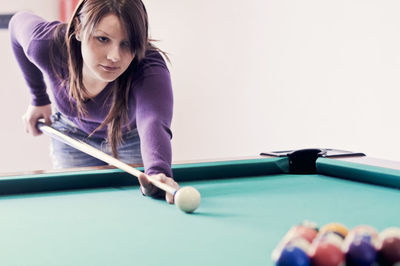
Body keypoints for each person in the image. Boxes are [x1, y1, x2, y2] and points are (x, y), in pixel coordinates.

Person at [9, 0, 179, 203]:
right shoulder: (47, 43)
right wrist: (38, 99)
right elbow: (16, 24)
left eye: (127, 43)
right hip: (71, 135)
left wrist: (157, 171)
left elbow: (153, 119)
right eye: (102, 39)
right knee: (76, 207)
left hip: (129, 139)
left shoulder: (148, 68)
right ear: (79, 30)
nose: (114, 56)